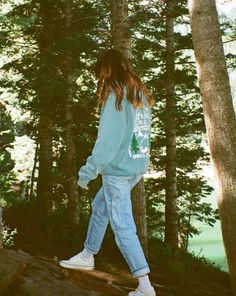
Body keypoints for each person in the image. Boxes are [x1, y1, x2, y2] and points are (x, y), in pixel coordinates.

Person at [59, 48, 156, 296]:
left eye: (99, 75)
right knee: (100, 206)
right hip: (134, 167)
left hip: (118, 171)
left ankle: (145, 285)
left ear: (106, 72)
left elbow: (108, 142)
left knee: (123, 226)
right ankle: (87, 254)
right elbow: (141, 135)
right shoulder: (139, 94)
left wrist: (88, 171)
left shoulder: (117, 97)